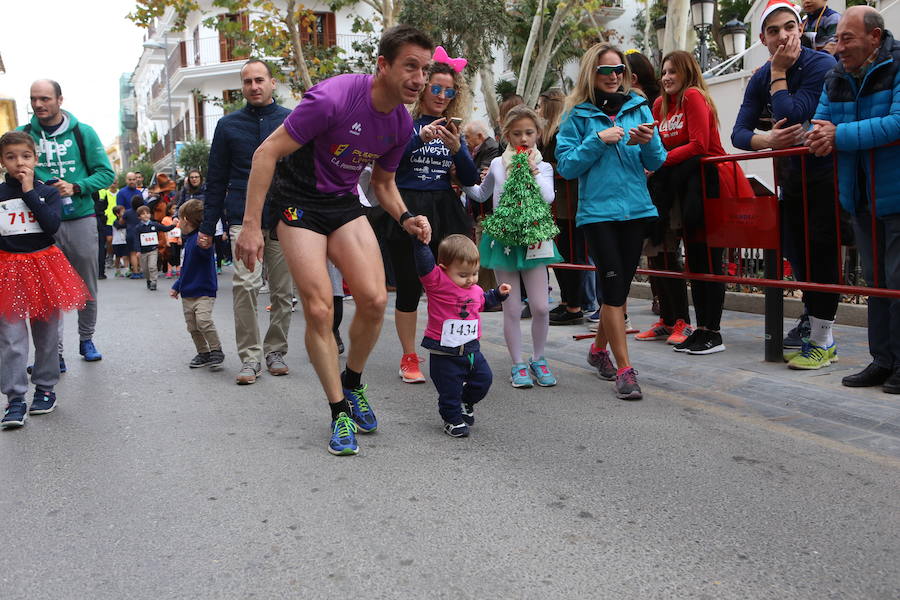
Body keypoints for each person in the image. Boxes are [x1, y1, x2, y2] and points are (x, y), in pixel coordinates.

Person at [234, 24, 434, 456]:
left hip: (342, 202)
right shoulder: (334, 98)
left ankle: (354, 382)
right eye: (411, 67)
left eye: (426, 69)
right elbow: (265, 153)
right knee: (321, 307)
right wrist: (251, 226)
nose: (419, 79)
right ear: (383, 65)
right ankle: (338, 409)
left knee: (375, 298)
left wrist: (406, 216)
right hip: (297, 202)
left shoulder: (401, 122)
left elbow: (382, 182)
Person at [732, 0, 841, 369]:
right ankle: (814, 321)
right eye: (774, 30)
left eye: (789, 27)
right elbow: (739, 132)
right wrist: (769, 142)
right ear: (763, 38)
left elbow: (792, 113)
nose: (783, 36)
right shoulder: (761, 75)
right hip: (791, 181)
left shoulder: (821, 64)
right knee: (798, 254)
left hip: (827, 178)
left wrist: (778, 72)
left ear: (800, 29)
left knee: (822, 252)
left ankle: (825, 340)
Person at [555, 43, 667, 400]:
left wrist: (648, 142)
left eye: (619, 70)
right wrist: (597, 140)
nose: (614, 76)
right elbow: (567, 166)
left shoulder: (639, 107)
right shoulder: (578, 116)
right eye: (606, 71)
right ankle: (625, 369)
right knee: (614, 288)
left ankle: (597, 350)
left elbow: (658, 159)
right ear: (592, 73)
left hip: (636, 210)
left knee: (615, 292)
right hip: (598, 215)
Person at [809, 6, 900, 393]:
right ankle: (882, 360)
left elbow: (897, 122)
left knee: (897, 281)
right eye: (837, 38)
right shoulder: (836, 76)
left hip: (895, 196)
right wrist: (816, 136)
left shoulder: (898, 68)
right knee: (876, 282)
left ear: (875, 37)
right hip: (860, 194)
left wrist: (838, 135)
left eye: (847, 38)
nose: (838, 46)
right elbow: (818, 123)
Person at [652, 51, 755, 356]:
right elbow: (660, 145)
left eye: (673, 71)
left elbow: (699, 144)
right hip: (682, 186)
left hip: (709, 182)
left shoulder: (694, 96)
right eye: (664, 72)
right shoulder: (661, 105)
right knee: (695, 260)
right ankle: (702, 329)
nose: (667, 77)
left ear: (686, 73)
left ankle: (713, 331)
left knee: (709, 257)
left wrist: (659, 162)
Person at [198, 59, 293, 385]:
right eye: (248, 81)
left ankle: (275, 350)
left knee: (283, 291)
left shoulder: (291, 121)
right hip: (242, 217)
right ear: (243, 87)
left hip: (284, 217)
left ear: (272, 83)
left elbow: (303, 172)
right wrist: (207, 228)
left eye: (259, 80)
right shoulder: (227, 125)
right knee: (245, 286)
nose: (254, 86)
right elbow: (216, 179)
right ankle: (250, 358)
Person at [387, 55, 478, 384]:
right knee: (409, 288)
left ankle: (454, 350)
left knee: (456, 285)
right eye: (436, 88)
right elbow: (389, 166)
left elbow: (468, 177)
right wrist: (417, 139)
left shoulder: (455, 128)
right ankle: (409, 356)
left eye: (449, 92)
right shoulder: (404, 123)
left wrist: (458, 150)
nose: (441, 96)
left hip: (445, 209)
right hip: (408, 207)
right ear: (424, 89)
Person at [465, 105, 561, 388]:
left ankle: (539, 358)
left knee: (541, 307)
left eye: (529, 132)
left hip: (534, 241)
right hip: (504, 241)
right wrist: (461, 181)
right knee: (512, 308)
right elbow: (482, 193)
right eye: (517, 133)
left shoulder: (543, 167)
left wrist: (531, 171)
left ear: (538, 134)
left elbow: (547, 197)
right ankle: (518, 363)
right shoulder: (497, 163)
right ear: (506, 135)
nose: (523, 139)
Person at [19, 79, 114, 366]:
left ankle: (86, 339)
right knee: (45, 290)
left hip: (80, 217)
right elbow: (13, 169)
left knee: (86, 284)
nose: (38, 105)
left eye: (45, 99)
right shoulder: (23, 135)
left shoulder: (82, 133)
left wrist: (76, 186)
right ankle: (52, 353)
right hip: (39, 221)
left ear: (60, 100)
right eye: (34, 99)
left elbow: (106, 174)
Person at [0, 131, 91, 428]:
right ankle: (15, 399)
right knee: (11, 337)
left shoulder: (48, 192)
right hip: (8, 268)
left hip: (43, 266)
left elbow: (52, 225)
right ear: (2, 161)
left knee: (47, 333)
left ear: (36, 159)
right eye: (11, 157)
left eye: (25, 156)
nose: (19, 163)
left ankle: (45, 388)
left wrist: (29, 191)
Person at [413, 234, 510, 437]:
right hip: (444, 353)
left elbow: (483, 301)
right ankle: (452, 420)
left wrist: (499, 294)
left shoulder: (474, 289)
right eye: (464, 275)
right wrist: (421, 244)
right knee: (449, 391)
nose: (471, 280)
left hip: (471, 349)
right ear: (443, 269)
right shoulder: (437, 284)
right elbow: (425, 267)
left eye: (474, 273)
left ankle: (466, 401)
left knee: (484, 379)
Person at [170, 198, 224, 371]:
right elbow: (187, 268)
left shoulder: (202, 240)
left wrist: (206, 244)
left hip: (204, 291)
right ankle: (203, 353)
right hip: (187, 293)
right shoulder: (188, 241)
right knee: (192, 327)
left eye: (179, 219)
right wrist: (177, 286)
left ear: (186, 219)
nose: (178, 223)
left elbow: (205, 252)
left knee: (204, 321)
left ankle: (216, 350)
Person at [463, 118, 502, 297]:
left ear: (479, 136)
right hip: (481, 208)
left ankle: (487, 294)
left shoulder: (491, 148)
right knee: (483, 252)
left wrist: (463, 175)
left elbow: (480, 177)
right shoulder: (479, 149)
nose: (466, 140)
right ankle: (486, 292)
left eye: (467, 137)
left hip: (488, 210)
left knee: (485, 254)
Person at [135, 205, 176, 291]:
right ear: (139, 217)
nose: (146, 215)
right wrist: (138, 250)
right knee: (145, 269)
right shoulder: (138, 228)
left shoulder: (154, 224)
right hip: (143, 251)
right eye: (143, 214)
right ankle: (148, 280)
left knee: (152, 266)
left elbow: (165, 228)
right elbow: (137, 240)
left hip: (153, 249)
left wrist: (173, 225)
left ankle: (154, 281)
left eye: (147, 213)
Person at [95, 181, 117, 280]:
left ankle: (97, 271)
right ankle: (100, 272)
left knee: (98, 247)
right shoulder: (103, 192)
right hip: (100, 220)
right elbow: (105, 206)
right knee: (101, 247)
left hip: (90, 219)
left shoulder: (90, 191)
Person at [111, 205, 129, 277]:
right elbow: (119, 226)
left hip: (124, 241)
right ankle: (117, 270)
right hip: (117, 242)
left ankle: (127, 270)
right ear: (117, 214)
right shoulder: (115, 222)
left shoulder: (126, 221)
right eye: (122, 212)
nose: (124, 213)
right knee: (118, 256)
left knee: (125, 256)